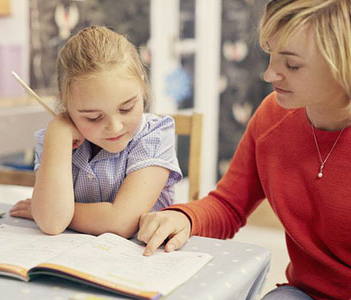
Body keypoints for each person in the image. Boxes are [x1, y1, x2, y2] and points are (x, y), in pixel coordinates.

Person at [137, 1, 350, 299]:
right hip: (304, 293)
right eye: (271, 55)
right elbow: (229, 205)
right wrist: (184, 218)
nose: (269, 74)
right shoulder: (272, 117)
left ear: (343, 65)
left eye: (292, 65)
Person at [10, 26, 182, 238]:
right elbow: (53, 223)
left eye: (126, 108)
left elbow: (120, 223)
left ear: (142, 84)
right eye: (93, 117)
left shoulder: (154, 135)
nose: (115, 126)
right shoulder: (55, 138)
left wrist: (55, 211)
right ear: (65, 103)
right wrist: (59, 131)